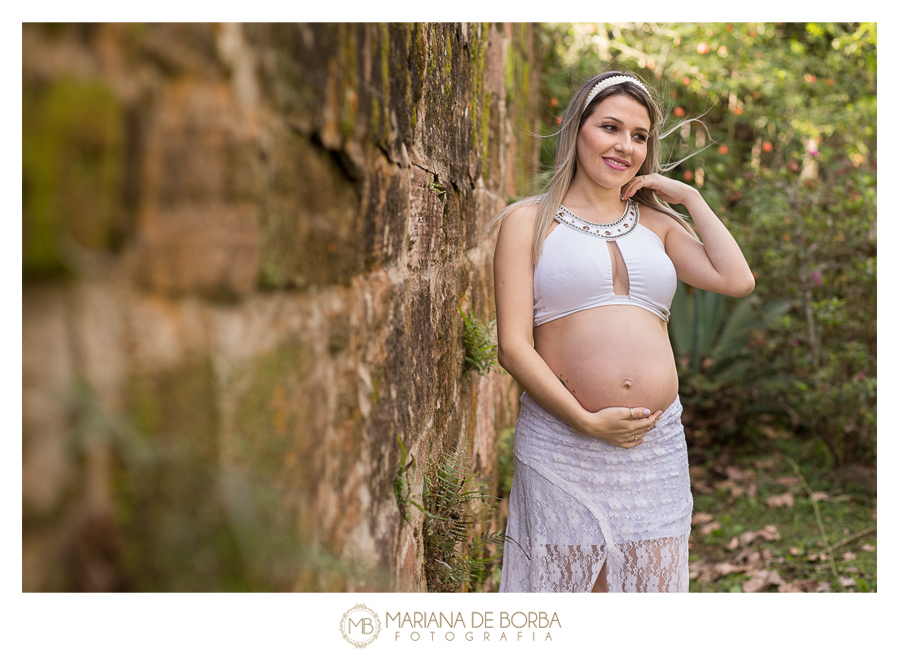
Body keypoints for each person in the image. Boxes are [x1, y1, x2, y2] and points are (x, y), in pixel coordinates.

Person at [492, 71, 754, 593]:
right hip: (563, 443)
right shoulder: (528, 222)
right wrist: (585, 422)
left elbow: (736, 279)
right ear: (574, 128)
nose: (625, 146)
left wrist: (690, 198)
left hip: (653, 449)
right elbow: (513, 347)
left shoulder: (656, 224)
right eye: (610, 127)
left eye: (640, 136)